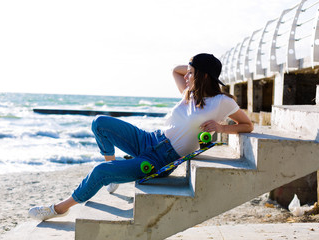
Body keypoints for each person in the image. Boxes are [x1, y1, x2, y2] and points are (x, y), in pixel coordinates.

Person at [28, 53, 254, 221]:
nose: (185, 76)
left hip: (159, 160)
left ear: (204, 76)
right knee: (100, 123)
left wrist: (221, 128)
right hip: (149, 139)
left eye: (191, 72)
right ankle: (114, 170)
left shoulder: (223, 102)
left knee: (99, 172)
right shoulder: (189, 93)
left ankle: (60, 208)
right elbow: (175, 70)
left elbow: (247, 125)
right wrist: (194, 63)